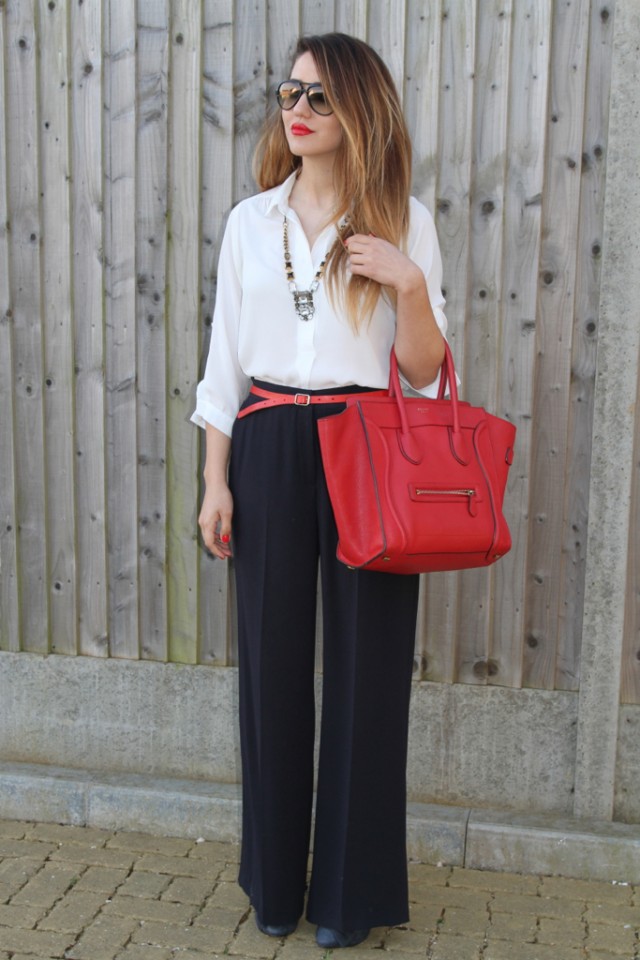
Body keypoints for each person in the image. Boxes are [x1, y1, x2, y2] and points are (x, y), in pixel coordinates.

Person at [192, 32, 447, 950]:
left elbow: (422, 374)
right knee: (268, 672)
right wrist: (215, 481)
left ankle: (349, 896)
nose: (294, 111)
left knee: (368, 675)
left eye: (317, 98)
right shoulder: (248, 222)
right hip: (263, 441)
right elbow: (222, 363)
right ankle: (273, 886)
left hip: (367, 447)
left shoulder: (404, 222)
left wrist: (409, 285)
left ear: (358, 113)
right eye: (288, 93)